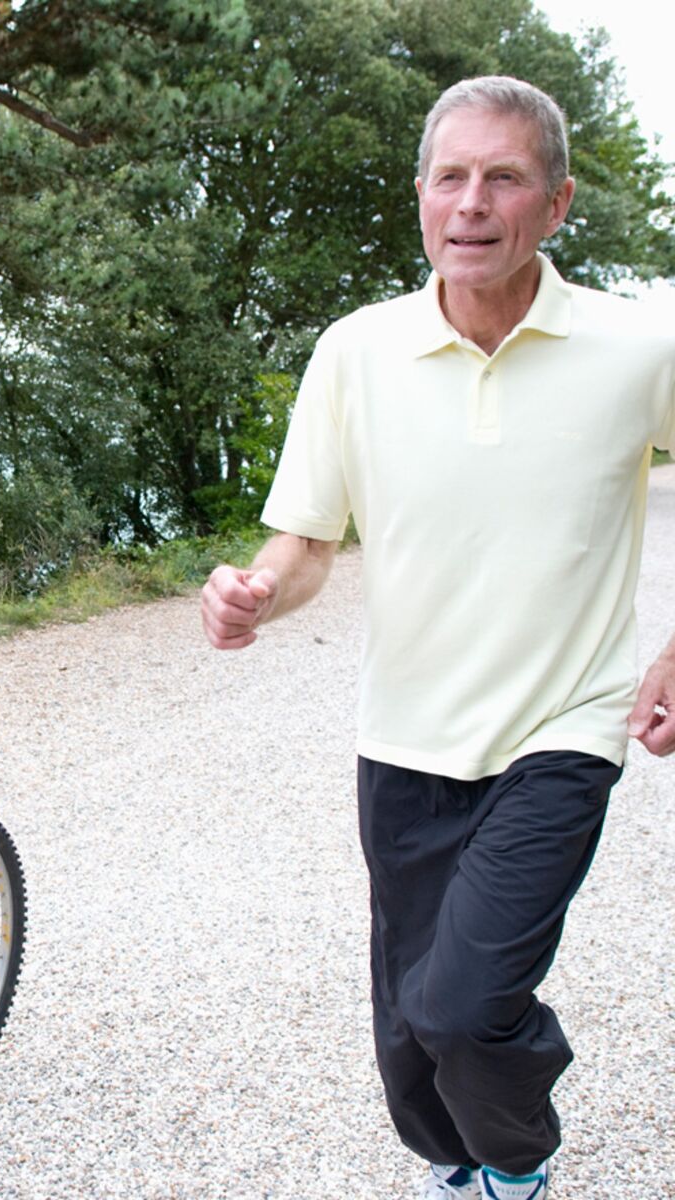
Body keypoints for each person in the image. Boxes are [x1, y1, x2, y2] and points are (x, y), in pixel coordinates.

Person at [201, 76, 675, 1200]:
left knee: (462, 1007)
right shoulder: (356, 354)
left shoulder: (634, 348)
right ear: (420, 196)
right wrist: (259, 591)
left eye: (503, 177)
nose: (472, 203)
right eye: (450, 177)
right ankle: (458, 1164)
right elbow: (307, 540)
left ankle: (519, 1157)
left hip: (564, 730)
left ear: (555, 205)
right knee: (410, 1044)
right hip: (404, 739)